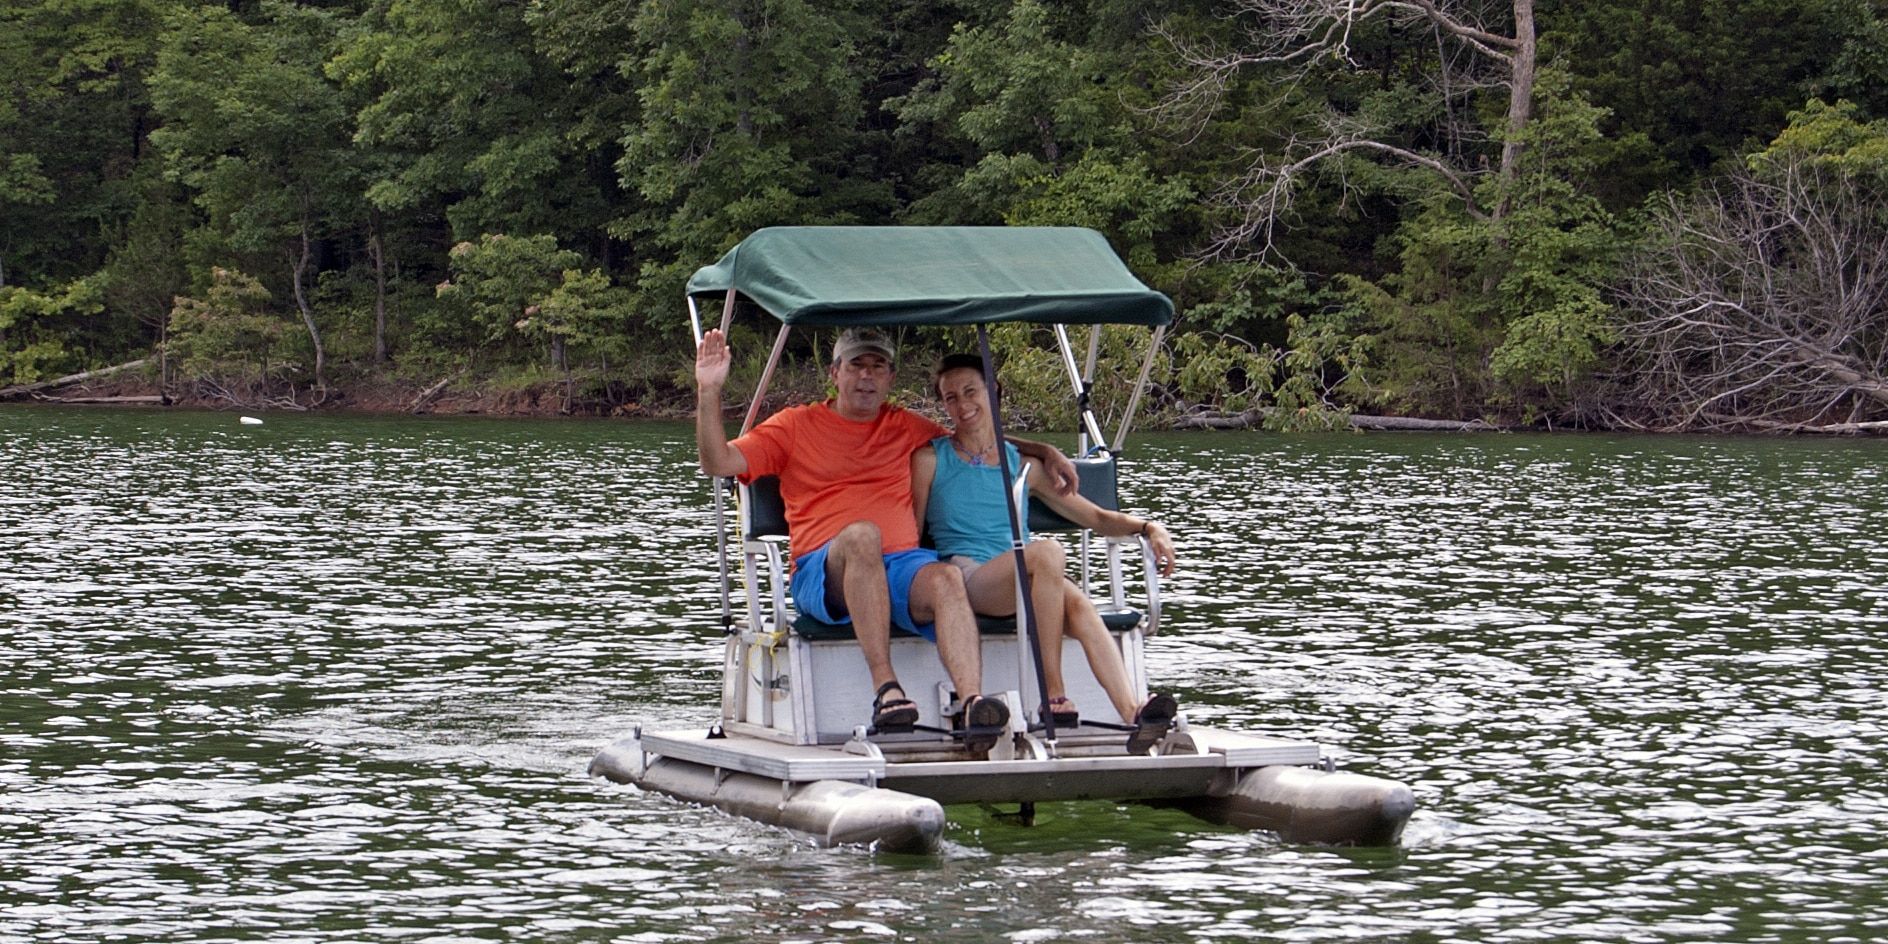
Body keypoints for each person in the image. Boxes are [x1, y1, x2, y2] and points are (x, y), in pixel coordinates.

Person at [693, 327, 1079, 752]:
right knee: (863, 536)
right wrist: (709, 390)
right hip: (824, 572)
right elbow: (719, 461)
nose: (866, 377)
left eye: (878, 367)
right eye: (856, 365)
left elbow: (974, 435)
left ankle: (973, 705)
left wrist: (1043, 450)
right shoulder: (794, 425)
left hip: (901, 567)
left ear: (891, 378)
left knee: (947, 577)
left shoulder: (906, 426)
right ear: (835, 372)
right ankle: (887, 691)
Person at [911, 354, 1180, 754]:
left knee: (1079, 603)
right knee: (1048, 554)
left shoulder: (1024, 466)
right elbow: (912, 534)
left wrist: (1149, 527)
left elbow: (1097, 517)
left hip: (1027, 577)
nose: (962, 404)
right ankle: (1054, 696)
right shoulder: (930, 459)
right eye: (950, 398)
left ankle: (1134, 712)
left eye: (971, 391)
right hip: (970, 578)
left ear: (993, 392)